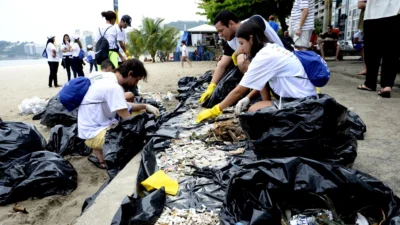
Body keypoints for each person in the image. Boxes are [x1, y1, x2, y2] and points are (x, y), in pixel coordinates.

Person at [196, 20, 317, 123]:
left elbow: (238, 91)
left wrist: (215, 110)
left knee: (253, 111)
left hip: (301, 104)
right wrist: (248, 97)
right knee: (256, 105)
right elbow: (260, 81)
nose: (241, 48)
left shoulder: (264, 56)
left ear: (251, 38)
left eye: (242, 43)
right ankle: (267, 103)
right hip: (306, 97)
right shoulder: (271, 48)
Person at [78, 59, 160, 169]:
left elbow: (124, 105)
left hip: (87, 128)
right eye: (136, 80)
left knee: (135, 112)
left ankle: (100, 159)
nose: (136, 84)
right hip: (94, 134)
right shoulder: (114, 87)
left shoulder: (101, 76)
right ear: (130, 73)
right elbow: (129, 121)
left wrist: (145, 106)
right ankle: (114, 162)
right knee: (130, 139)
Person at [199, 10, 284, 104]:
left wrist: (236, 54)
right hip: (263, 70)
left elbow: (253, 35)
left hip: (279, 67)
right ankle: (256, 93)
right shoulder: (231, 41)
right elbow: (222, 65)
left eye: (221, 30)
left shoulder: (254, 21)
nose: (220, 35)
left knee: (241, 60)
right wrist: (212, 86)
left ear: (231, 23)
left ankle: (265, 100)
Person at [357, 0, 400, 98]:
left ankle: (370, 83)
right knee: (391, 52)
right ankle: (387, 85)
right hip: (395, 13)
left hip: (373, 15)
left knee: (372, 52)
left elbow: (360, 4)